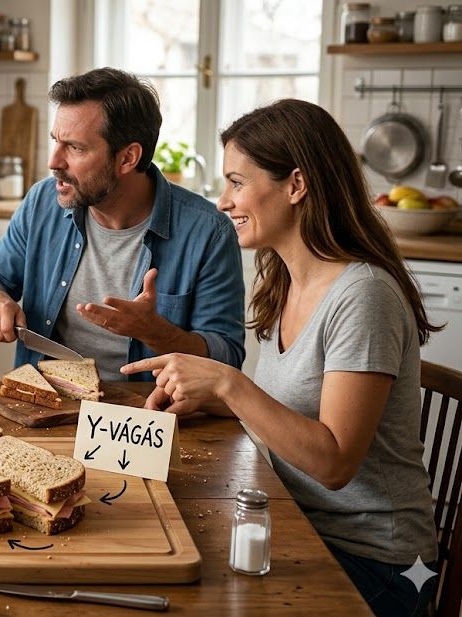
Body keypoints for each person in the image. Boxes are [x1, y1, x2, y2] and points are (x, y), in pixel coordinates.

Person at [123, 99, 440, 617]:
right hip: (297, 521)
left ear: (296, 185)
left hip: (376, 562)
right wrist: (202, 392)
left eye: (237, 182)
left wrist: (227, 384)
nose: (223, 201)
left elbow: (334, 463)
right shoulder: (285, 280)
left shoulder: (364, 295)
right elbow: (285, 410)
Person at [0, 67, 244, 381]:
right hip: (46, 400)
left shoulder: (208, 232)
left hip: (147, 408)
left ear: (128, 158)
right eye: (56, 141)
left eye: (75, 148)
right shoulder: (42, 203)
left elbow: (227, 357)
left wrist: (156, 332)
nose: (54, 162)